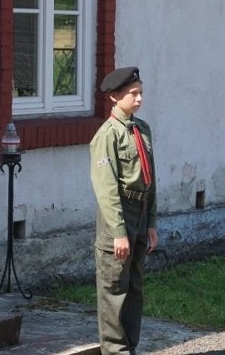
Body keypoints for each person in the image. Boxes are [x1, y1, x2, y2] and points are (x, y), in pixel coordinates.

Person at [90, 67, 158, 355]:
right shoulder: (108, 135)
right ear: (115, 97)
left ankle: (130, 346)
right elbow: (106, 189)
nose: (139, 98)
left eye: (141, 91)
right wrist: (119, 233)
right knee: (114, 287)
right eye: (133, 93)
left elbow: (150, 177)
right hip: (118, 213)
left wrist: (151, 222)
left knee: (134, 285)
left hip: (140, 210)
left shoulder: (141, 128)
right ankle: (115, 351)